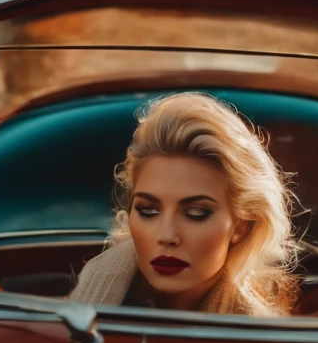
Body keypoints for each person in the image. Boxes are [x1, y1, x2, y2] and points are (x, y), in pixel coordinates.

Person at [69, 92, 299, 315]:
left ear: (241, 225)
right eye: (148, 211)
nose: (167, 235)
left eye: (196, 213)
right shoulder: (92, 289)